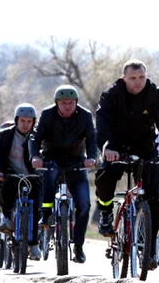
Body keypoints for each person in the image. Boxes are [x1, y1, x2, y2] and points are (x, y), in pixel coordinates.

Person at [94, 59, 159, 271]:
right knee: (106, 176)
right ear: (124, 78)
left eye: (141, 77)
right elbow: (102, 122)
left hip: (145, 147)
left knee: (153, 200)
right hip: (116, 146)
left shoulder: (156, 95)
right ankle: (105, 212)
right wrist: (105, 146)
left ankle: (149, 250)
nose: (138, 82)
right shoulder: (111, 95)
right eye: (133, 78)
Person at [29, 85, 98, 263]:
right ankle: (46, 214)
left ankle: (78, 246)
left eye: (70, 103)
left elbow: (92, 138)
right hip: (52, 158)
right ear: (56, 103)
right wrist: (35, 156)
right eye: (63, 103)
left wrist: (91, 158)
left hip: (76, 160)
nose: (67, 106)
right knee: (50, 175)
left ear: (76, 102)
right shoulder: (47, 114)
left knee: (83, 204)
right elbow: (35, 138)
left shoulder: (85, 116)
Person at [0, 103, 42, 260]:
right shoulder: (6, 135)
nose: (25, 124)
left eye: (29, 121)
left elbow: (45, 153)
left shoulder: (38, 135)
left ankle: (33, 244)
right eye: (22, 121)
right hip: (11, 174)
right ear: (16, 120)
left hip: (32, 175)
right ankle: (6, 217)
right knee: (7, 190)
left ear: (33, 122)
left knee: (34, 208)